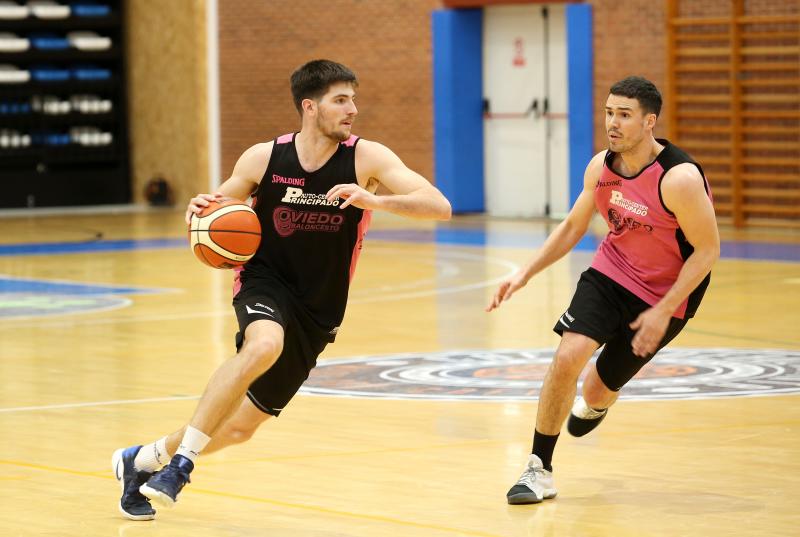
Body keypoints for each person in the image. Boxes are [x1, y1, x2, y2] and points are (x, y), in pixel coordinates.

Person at [112, 59, 452, 520]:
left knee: (238, 430)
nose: (353, 108)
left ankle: (142, 460)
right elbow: (212, 209)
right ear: (310, 107)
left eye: (353, 98)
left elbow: (439, 205)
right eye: (341, 100)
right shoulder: (264, 158)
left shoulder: (367, 157)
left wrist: (377, 199)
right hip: (265, 280)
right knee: (263, 343)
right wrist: (198, 210)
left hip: (320, 307)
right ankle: (181, 466)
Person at [486, 76, 719, 505]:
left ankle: (596, 403)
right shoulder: (602, 167)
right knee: (568, 354)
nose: (612, 123)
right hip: (612, 273)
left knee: (596, 388)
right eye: (609, 112)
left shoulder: (678, 178)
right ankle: (539, 469)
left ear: (650, 122)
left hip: (667, 294)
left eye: (624, 115)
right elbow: (575, 225)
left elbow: (707, 251)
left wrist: (664, 309)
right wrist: (525, 273)